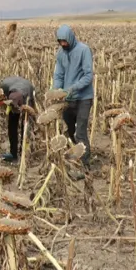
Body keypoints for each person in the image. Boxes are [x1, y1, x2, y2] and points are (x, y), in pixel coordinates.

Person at [52, 24, 94, 172]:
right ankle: (72, 160)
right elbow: (59, 74)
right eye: (60, 41)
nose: (63, 44)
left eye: (65, 41)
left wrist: (73, 88)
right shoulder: (61, 53)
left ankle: (85, 163)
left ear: (71, 37)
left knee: (80, 131)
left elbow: (88, 75)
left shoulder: (84, 50)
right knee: (69, 130)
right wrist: (56, 90)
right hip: (68, 99)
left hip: (83, 98)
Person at [0, 76, 36, 163]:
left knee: (26, 127)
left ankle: (24, 153)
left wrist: (28, 110)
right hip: (12, 98)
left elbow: (33, 103)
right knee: (12, 125)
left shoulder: (29, 89)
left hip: (26, 99)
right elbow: (1, 95)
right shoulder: (4, 85)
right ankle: (13, 154)